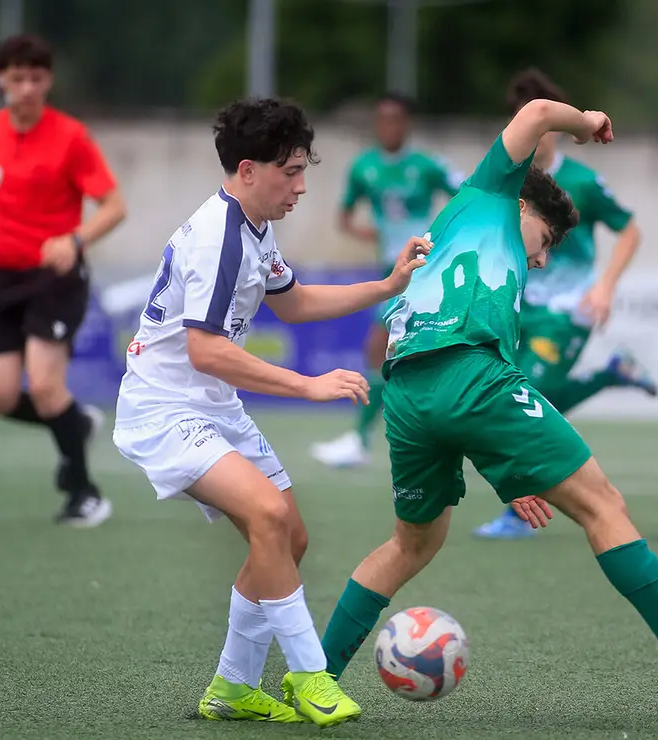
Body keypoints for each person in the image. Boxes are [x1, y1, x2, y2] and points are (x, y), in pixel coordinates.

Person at [317, 98, 658, 702]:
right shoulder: (493, 196)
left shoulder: (478, 247)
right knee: (603, 502)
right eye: (547, 239)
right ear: (524, 204)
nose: (544, 256)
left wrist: (510, 473)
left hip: (407, 396)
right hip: (469, 379)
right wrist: (587, 124)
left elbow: (459, 414)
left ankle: (313, 678)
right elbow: (533, 113)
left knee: (412, 544)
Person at [111, 97, 431, 727]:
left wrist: (388, 287)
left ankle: (232, 687)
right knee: (265, 513)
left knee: (290, 534)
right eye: (291, 171)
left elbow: (295, 301)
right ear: (249, 169)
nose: (302, 186)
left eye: (303, 169)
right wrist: (306, 386)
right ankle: (311, 676)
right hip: (166, 407)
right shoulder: (218, 237)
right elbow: (205, 351)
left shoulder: (253, 225)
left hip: (208, 403)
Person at [0, 34, 127, 527]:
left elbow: (114, 207)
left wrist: (74, 240)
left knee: (47, 386)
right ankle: (74, 421)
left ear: (48, 81)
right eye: (16, 77)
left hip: (56, 277)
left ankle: (85, 494)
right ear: (0, 79)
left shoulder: (71, 137)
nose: (25, 87)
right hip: (4, 276)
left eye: (36, 77)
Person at [475, 68, 658, 539]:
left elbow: (631, 231)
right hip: (517, 306)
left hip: (569, 310)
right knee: (526, 397)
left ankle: (520, 514)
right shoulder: (507, 180)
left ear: (553, 127)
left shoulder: (584, 181)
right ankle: (611, 373)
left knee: (529, 397)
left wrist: (606, 287)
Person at [310, 93, 462, 468]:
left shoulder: (427, 166)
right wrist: (374, 238)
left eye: (396, 119)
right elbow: (344, 217)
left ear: (407, 123)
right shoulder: (364, 168)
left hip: (423, 270)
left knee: (381, 347)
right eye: (382, 119)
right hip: (389, 272)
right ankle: (376, 438)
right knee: (397, 353)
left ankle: (362, 439)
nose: (388, 126)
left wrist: (440, 242)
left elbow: (467, 199)